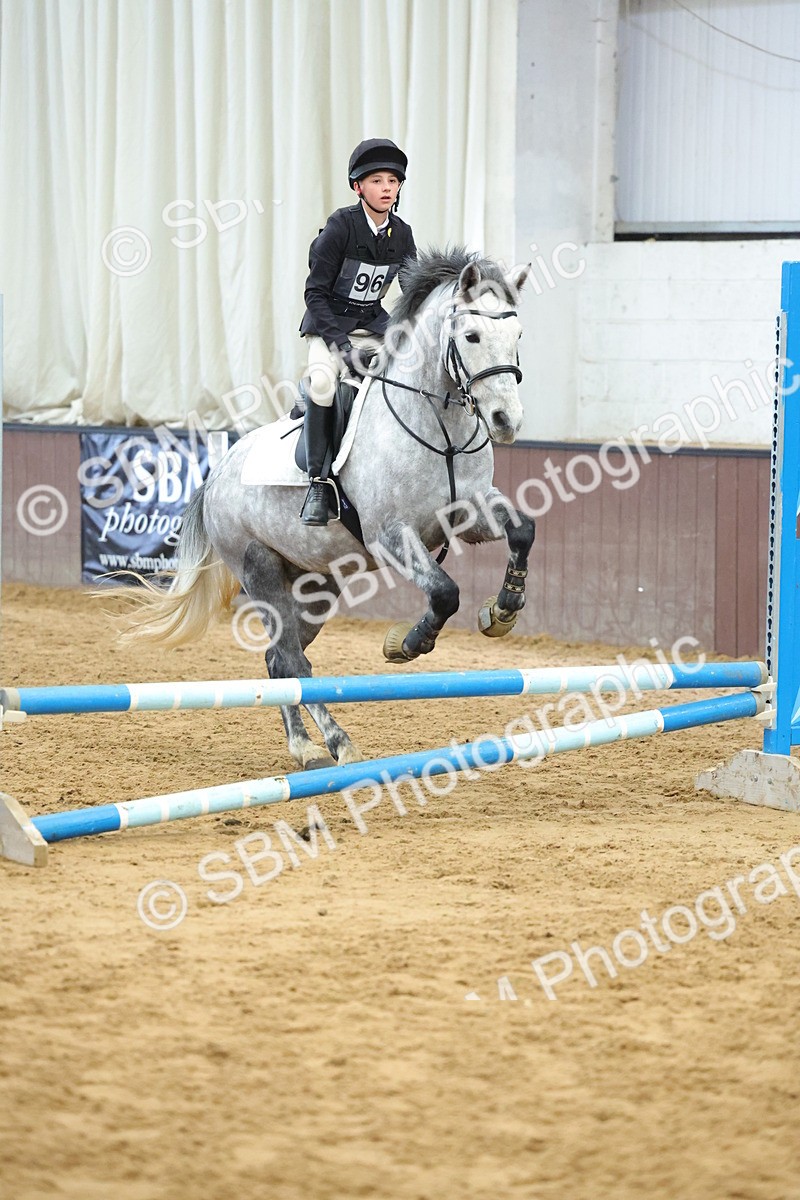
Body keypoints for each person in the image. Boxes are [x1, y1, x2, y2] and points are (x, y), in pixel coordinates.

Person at [298, 138, 417, 525]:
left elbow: (412, 292)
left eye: (393, 181)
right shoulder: (340, 227)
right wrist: (342, 348)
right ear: (358, 187)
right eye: (377, 181)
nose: (387, 188)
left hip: (373, 326)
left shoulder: (402, 234)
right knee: (322, 384)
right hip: (329, 327)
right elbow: (314, 294)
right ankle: (318, 482)